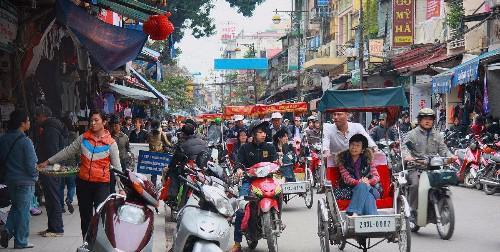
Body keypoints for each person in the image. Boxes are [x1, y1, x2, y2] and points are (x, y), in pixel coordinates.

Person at [38, 110, 122, 238]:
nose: (92, 123)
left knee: (100, 217)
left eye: (96, 120)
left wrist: (121, 189)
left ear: (104, 122)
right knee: (85, 218)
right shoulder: (83, 138)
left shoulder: (111, 143)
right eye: (91, 120)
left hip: (102, 185)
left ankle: (99, 245)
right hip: (83, 184)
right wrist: (48, 161)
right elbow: (67, 151)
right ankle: (86, 245)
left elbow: (117, 168)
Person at [232, 120, 278, 252]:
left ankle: (277, 219)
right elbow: (238, 163)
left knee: (279, 192)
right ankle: (237, 243)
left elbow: (275, 161)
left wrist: (276, 165)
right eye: (260, 132)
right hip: (249, 181)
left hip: (267, 180)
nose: (264, 134)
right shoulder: (244, 148)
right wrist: (239, 169)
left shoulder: (269, 147)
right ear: (253, 134)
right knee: (241, 208)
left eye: (264, 132)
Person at [401, 108, 457, 216]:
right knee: (416, 185)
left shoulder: (437, 135)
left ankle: (440, 206)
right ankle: (412, 210)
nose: (428, 121)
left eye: (430, 119)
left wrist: (451, 156)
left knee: (442, 183)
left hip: (432, 168)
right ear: (420, 120)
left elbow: (443, 150)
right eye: (425, 119)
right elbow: (404, 148)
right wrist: (408, 156)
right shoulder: (412, 134)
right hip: (415, 168)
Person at [0, 110, 38, 249]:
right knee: (23, 212)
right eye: (27, 120)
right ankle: (21, 241)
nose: (29, 123)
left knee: (16, 208)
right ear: (22, 123)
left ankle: (7, 230)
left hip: (10, 180)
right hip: (24, 182)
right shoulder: (26, 141)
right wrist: (36, 176)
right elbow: (31, 165)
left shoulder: (3, 139)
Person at [322, 112, 376, 191]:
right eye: (334, 115)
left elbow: (368, 140)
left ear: (347, 115)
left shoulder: (357, 127)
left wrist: (375, 149)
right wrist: (326, 153)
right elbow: (325, 143)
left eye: (339, 114)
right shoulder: (327, 128)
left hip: (356, 162)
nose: (336, 117)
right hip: (338, 162)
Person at [34, 105, 67, 237]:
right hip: (53, 167)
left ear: (43, 115)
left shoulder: (50, 129)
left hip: (51, 168)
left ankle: (57, 229)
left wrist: (46, 165)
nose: (35, 119)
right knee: (51, 197)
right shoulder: (51, 127)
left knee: (53, 197)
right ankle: (52, 227)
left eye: (37, 116)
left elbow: (52, 152)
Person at [335, 134, 380, 216]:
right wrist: (359, 182)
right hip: (350, 189)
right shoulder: (343, 160)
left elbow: (377, 177)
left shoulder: (368, 160)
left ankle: (352, 212)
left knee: (364, 187)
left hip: (371, 188)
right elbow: (346, 179)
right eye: (352, 145)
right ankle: (373, 220)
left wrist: (368, 182)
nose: (354, 147)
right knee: (369, 196)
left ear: (362, 150)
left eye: (357, 146)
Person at [167, 119, 207, 204]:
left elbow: (175, 160)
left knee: (173, 173)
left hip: (189, 171)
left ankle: (172, 197)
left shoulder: (183, 145)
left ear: (184, 134)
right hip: (202, 170)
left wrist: (170, 168)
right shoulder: (203, 142)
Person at [59, 114, 79, 214]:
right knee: (71, 185)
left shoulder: (59, 135)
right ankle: (69, 200)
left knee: (61, 186)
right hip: (71, 164)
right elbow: (78, 151)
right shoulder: (74, 136)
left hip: (61, 164)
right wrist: (79, 162)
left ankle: (61, 206)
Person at [147, 119, 173, 187]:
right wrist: (172, 145)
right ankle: (163, 186)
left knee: (153, 173)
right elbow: (168, 143)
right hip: (160, 155)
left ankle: (153, 187)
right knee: (163, 172)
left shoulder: (149, 134)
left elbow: (148, 143)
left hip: (152, 155)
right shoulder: (162, 133)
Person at [109, 115, 130, 193]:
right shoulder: (109, 137)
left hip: (122, 162)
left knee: (123, 184)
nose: (114, 127)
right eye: (113, 126)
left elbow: (128, 149)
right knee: (111, 184)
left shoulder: (125, 137)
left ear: (120, 125)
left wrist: (128, 161)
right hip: (111, 164)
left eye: (116, 125)